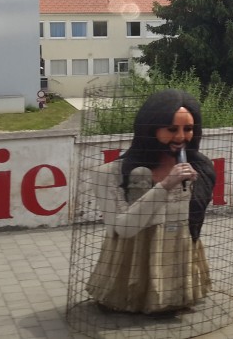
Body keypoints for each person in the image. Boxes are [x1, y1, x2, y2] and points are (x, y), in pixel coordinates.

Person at [87, 89, 216, 314]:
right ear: (150, 128)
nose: (181, 137)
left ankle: (176, 295)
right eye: (172, 129)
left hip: (177, 251)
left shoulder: (200, 168)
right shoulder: (110, 173)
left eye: (188, 129)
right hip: (131, 259)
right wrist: (166, 185)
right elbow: (123, 228)